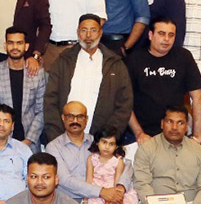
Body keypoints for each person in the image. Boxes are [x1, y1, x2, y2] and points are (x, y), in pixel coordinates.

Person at [42, 15, 133, 145]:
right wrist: (56, 138)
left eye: (93, 30)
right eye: (84, 30)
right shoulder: (64, 60)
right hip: (64, 141)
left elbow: (124, 104)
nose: (88, 35)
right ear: (78, 32)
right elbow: (50, 100)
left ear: (100, 33)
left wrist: (107, 139)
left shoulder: (115, 63)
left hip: (102, 144)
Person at [126, 17, 201, 143]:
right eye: (161, 34)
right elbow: (124, 101)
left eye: (171, 35)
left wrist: (198, 135)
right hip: (142, 135)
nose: (166, 39)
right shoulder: (134, 59)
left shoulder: (184, 57)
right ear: (150, 35)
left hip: (176, 134)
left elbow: (198, 97)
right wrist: (139, 133)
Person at [0, 24, 48, 146]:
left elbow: (41, 110)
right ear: (5, 46)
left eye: (19, 43)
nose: (15, 47)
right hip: (1, 140)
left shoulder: (38, 73)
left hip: (30, 141)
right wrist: (3, 139)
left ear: (26, 46)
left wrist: (28, 140)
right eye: (11, 43)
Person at [84, 131, 136, 204]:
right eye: (104, 142)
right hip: (95, 192)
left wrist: (116, 199)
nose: (107, 147)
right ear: (97, 143)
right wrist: (85, 200)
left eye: (111, 144)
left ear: (116, 146)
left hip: (111, 192)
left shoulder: (118, 161)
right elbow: (88, 180)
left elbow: (117, 183)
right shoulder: (91, 159)